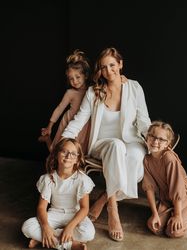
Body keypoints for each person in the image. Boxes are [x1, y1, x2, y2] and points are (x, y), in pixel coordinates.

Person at [61, 47, 151, 242]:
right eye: (103, 67)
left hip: (131, 140)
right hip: (102, 144)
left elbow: (144, 120)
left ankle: (102, 198)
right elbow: (79, 119)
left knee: (136, 158)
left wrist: (152, 138)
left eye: (112, 65)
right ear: (99, 70)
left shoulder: (134, 87)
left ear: (120, 64)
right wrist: (65, 140)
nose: (109, 70)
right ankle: (113, 210)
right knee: (116, 146)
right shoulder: (94, 92)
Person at [21, 138, 95, 250]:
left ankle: (45, 238)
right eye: (64, 151)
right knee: (27, 226)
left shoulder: (82, 179)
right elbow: (41, 208)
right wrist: (45, 227)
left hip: (74, 214)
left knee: (88, 233)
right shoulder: (48, 178)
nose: (68, 156)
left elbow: (84, 209)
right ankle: (68, 244)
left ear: (77, 160)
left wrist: (70, 227)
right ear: (56, 154)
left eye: (73, 154)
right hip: (54, 213)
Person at [142, 120, 187, 238]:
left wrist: (177, 215)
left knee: (173, 232)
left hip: (185, 197)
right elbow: (149, 188)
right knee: (153, 227)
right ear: (147, 137)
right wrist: (154, 214)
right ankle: (173, 214)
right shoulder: (146, 160)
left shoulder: (169, 158)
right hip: (167, 199)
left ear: (168, 144)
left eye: (161, 139)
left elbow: (177, 188)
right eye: (152, 136)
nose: (155, 141)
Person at [39, 49, 91, 153]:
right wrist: (49, 127)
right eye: (71, 79)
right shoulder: (70, 93)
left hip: (85, 125)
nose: (75, 81)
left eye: (77, 77)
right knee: (59, 150)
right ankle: (48, 139)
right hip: (69, 122)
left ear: (85, 75)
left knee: (78, 152)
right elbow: (59, 109)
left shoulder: (92, 90)